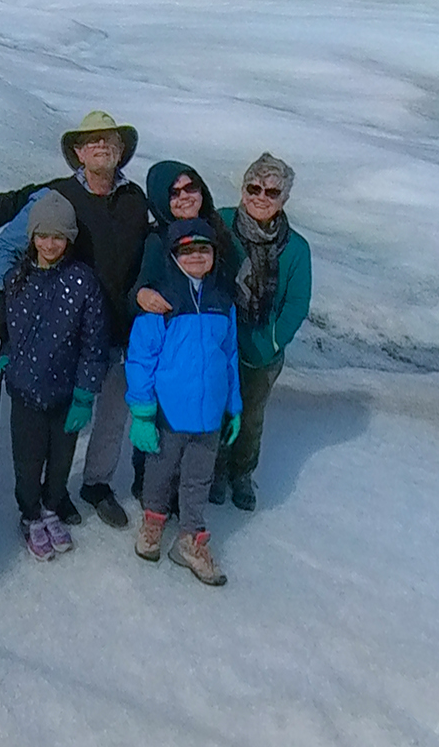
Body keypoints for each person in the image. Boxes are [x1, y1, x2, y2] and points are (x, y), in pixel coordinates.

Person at [0, 111, 151, 530]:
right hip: (63, 339)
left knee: (111, 416)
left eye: (109, 140)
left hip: (120, 329)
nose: (101, 147)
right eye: (91, 141)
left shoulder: (135, 200)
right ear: (77, 151)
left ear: (121, 150)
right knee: (62, 424)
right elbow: (5, 249)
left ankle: (95, 485)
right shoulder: (55, 198)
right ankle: (50, 496)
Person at [125, 219, 243, 586]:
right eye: (187, 251)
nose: (195, 257)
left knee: (198, 479)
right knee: (160, 471)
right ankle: (153, 522)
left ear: (214, 255)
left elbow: (230, 355)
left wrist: (234, 405)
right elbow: (141, 358)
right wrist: (143, 412)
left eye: (203, 250)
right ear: (173, 256)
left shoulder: (223, 300)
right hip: (169, 413)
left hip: (209, 415)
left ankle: (191, 538)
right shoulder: (161, 300)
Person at [0, 191, 110, 561]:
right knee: (28, 461)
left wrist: (85, 393)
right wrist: (6, 355)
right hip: (26, 390)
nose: (49, 244)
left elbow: (94, 343)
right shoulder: (17, 279)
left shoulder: (83, 283)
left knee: (60, 461)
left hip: (65, 394)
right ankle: (30, 515)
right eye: (43, 236)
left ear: (69, 240)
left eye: (58, 237)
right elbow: (12, 329)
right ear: (32, 238)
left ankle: (50, 507)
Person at [210, 153, 312, 512]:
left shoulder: (296, 248)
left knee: (251, 415)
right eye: (254, 187)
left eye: (272, 192)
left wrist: (271, 341)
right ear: (242, 188)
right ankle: (214, 471)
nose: (261, 197)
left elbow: (298, 302)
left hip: (261, 348)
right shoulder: (220, 223)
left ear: (284, 198)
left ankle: (241, 472)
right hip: (218, 341)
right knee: (215, 407)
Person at [128, 160, 234, 501]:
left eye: (192, 187)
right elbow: (136, 287)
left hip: (209, 347)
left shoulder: (217, 232)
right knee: (162, 436)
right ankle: (151, 495)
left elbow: (225, 289)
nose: (185, 197)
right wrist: (140, 295)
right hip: (168, 352)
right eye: (174, 192)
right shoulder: (156, 241)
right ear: (161, 200)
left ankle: (187, 495)